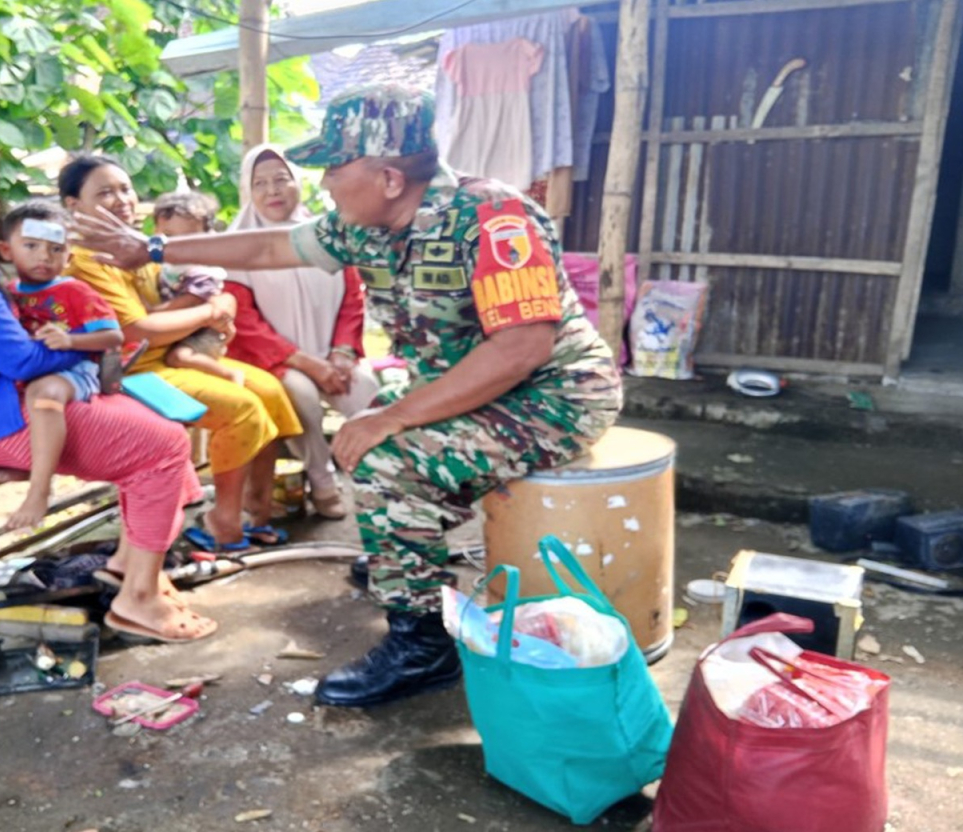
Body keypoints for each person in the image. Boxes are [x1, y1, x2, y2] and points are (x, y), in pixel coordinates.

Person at [71, 85, 623, 706]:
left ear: (389, 178)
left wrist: (394, 417)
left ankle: (422, 647)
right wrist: (151, 248)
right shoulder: (366, 224)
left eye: (335, 167)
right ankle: (406, 552)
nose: (325, 182)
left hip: (552, 395)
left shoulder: (495, 218)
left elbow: (522, 347)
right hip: (469, 384)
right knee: (374, 434)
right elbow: (269, 246)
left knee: (388, 460)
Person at [0, 106, 215, 643]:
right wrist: (83, 353)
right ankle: (137, 600)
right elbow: (21, 360)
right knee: (163, 447)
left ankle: (131, 569)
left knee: (157, 430)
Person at [59, 155, 303, 553]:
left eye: (125, 189)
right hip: (130, 373)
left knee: (270, 390)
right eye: (105, 193)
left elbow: (195, 289)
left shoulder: (136, 247)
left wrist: (218, 303)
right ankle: (223, 521)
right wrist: (210, 312)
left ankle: (256, 508)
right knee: (242, 408)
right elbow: (137, 333)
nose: (122, 200)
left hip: (171, 355)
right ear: (74, 205)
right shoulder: (86, 262)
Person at [223, 144, 379, 520]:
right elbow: (246, 324)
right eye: (260, 183)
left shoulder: (326, 235)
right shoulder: (235, 244)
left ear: (297, 183)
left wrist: (342, 352)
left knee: (367, 391)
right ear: (248, 191)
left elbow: (352, 298)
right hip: (273, 360)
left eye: (281, 179)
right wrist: (307, 363)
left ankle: (380, 482)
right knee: (301, 394)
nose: (273, 191)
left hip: (331, 352)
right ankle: (323, 482)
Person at [0, 200, 124, 531]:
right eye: (31, 246)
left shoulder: (76, 291)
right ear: (6, 250)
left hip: (74, 370)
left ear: (68, 255)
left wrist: (71, 341)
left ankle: (39, 490)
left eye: (55, 249)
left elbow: (113, 336)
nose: (44, 256)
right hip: (28, 370)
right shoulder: (7, 293)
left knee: (44, 395)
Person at [150, 191, 242, 386]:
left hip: (204, 333)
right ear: (155, 231)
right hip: (183, 329)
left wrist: (153, 311)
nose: (176, 244)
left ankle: (229, 375)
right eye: (168, 235)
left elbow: (191, 300)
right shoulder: (162, 262)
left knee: (178, 357)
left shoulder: (202, 268)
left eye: (188, 237)